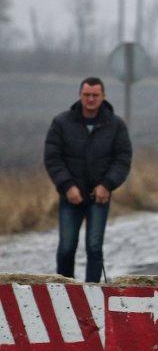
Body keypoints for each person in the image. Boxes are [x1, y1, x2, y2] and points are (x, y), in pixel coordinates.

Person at [43, 77, 132, 282]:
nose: (91, 99)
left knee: (94, 246)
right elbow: (53, 158)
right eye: (87, 95)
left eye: (95, 95)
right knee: (66, 247)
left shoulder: (115, 125)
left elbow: (123, 159)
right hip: (70, 196)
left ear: (103, 96)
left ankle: (92, 293)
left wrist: (107, 184)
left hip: (99, 197)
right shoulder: (61, 123)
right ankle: (64, 290)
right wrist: (67, 186)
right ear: (80, 95)